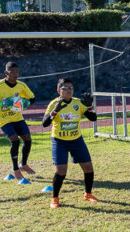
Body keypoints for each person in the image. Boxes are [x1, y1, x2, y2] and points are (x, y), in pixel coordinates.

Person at [42, 78, 98, 209]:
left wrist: (90, 106)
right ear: (59, 91)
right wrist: (55, 111)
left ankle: (88, 194)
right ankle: (54, 198)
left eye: (71, 88)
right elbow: (45, 123)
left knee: (88, 168)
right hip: (59, 141)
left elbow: (93, 118)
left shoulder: (78, 103)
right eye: (65, 88)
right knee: (61, 171)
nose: (69, 91)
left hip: (76, 140)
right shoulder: (54, 104)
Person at [0, 61, 36, 179]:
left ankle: (23, 164)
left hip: (18, 118)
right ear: (6, 73)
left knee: (27, 140)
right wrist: (5, 103)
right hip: (4, 120)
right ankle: (15, 169)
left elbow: (32, 99)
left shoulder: (21, 85)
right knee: (15, 141)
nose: (15, 74)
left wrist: (23, 103)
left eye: (17, 72)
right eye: (12, 72)